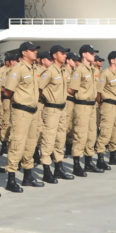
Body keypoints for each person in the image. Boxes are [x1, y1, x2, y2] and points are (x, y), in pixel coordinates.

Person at [2, 42, 43, 189]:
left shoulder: (34, 69)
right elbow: (8, 92)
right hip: (20, 111)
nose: (35, 52)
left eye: (35, 50)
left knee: (31, 144)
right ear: (24, 53)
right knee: (17, 144)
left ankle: (28, 176)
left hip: (33, 111)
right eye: (32, 50)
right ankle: (11, 179)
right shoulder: (17, 69)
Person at [38, 45, 74, 183]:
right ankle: (47, 171)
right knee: (49, 139)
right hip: (51, 109)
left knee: (60, 139)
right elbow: (39, 89)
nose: (65, 56)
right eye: (62, 53)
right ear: (54, 56)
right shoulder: (49, 72)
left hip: (62, 108)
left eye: (65, 53)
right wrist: (46, 101)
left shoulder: (63, 71)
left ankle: (59, 168)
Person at [69, 45, 103, 176]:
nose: (93, 55)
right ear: (84, 55)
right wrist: (82, 97)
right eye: (91, 53)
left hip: (92, 105)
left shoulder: (92, 70)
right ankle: (76, 165)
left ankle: (88, 162)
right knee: (80, 135)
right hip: (82, 105)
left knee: (91, 134)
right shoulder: (79, 70)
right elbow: (71, 89)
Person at [96, 51, 116, 167]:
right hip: (108, 105)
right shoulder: (105, 74)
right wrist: (100, 104)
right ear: (112, 60)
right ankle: (100, 157)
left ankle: (113, 156)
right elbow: (99, 91)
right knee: (106, 132)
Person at [34, 51, 53, 166]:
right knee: (37, 129)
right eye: (49, 59)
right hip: (39, 103)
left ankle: (44, 154)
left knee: (45, 130)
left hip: (47, 105)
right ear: (43, 60)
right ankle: (35, 153)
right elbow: (38, 88)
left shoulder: (50, 71)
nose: (51, 61)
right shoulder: (36, 71)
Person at [64, 52, 81, 156]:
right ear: (68, 60)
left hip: (74, 101)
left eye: (76, 60)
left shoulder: (75, 72)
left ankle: (69, 147)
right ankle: (58, 149)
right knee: (64, 125)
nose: (76, 62)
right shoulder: (64, 72)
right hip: (66, 100)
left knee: (72, 125)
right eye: (73, 60)